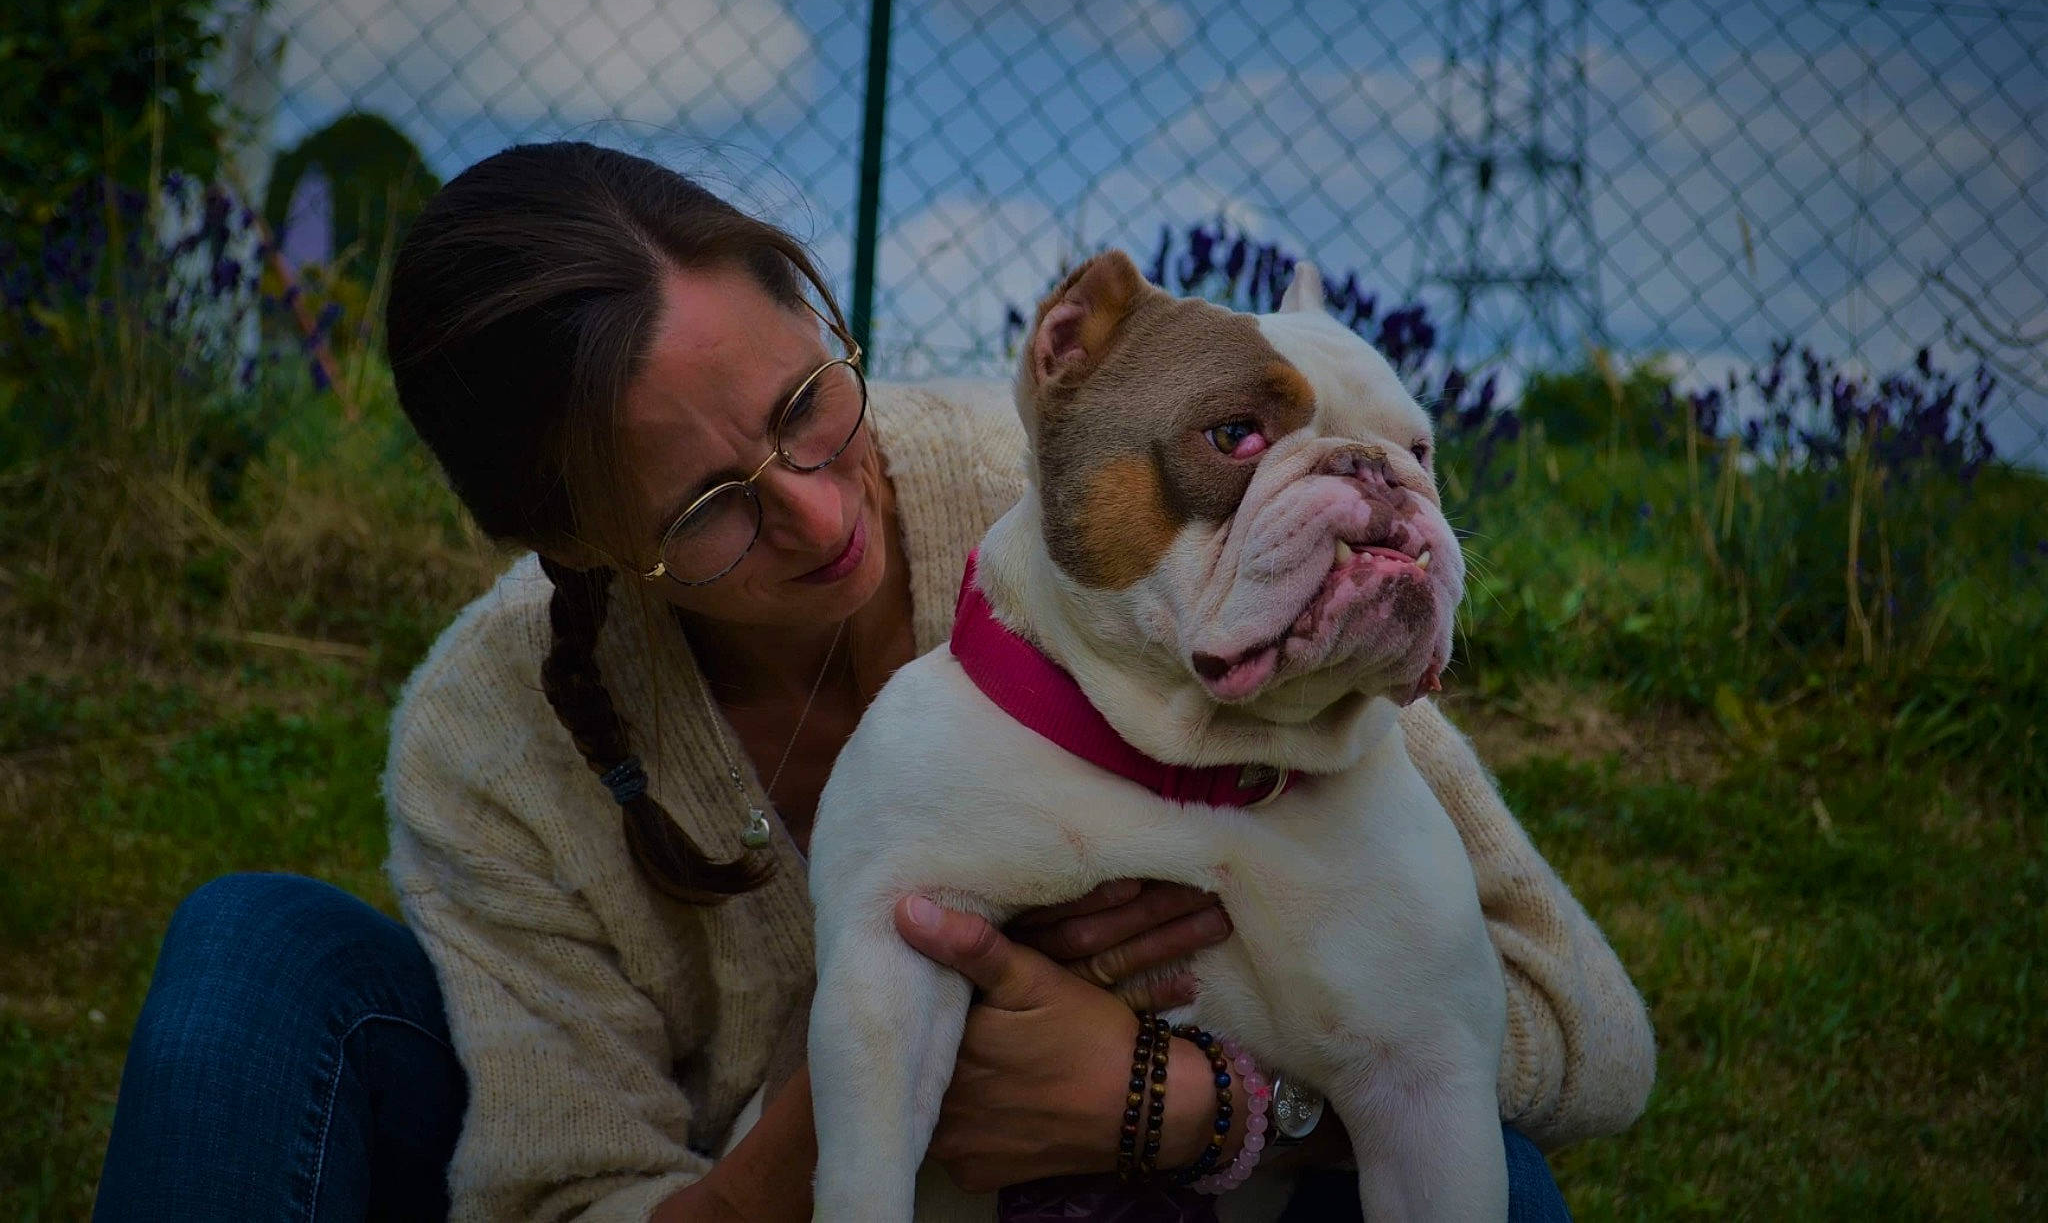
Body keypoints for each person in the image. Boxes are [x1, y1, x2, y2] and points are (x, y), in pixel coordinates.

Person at [94, 142, 1655, 1222]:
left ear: (828, 319)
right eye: (709, 514)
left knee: (1494, 1184)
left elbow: (1566, 1030)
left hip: (1204, 1171)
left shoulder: (1092, 496)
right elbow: (566, 1200)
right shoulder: (491, 731)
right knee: (253, 955)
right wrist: (867, 1100)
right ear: (577, 545)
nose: (821, 514)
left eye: (808, 402)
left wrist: (1188, 1099)